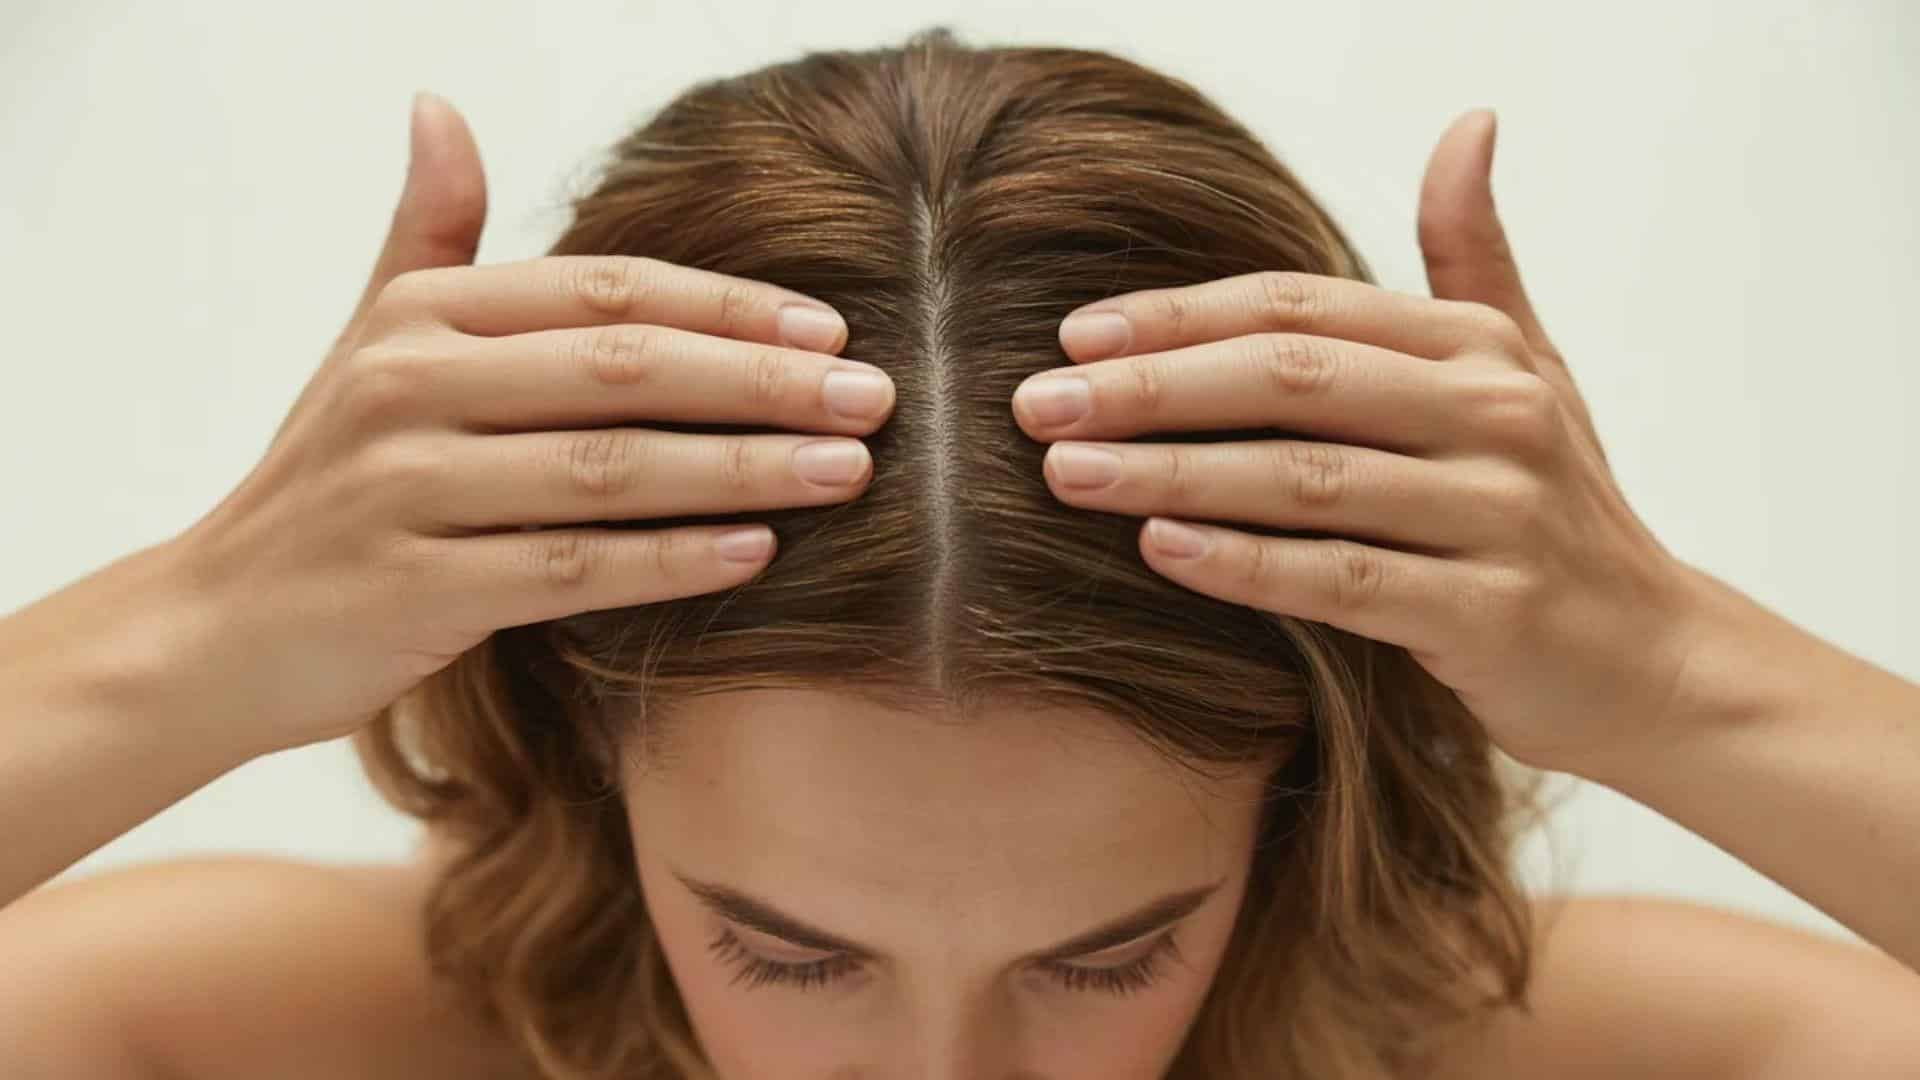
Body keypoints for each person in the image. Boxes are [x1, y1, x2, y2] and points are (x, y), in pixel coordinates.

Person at [1, 26, 1917, 1080]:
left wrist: (1684, 683)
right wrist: (189, 637)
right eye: (784, 951)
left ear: (1297, 800)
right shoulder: (219, 1032)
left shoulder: (1579, 1054)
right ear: (585, 750)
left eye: (1108, 962)